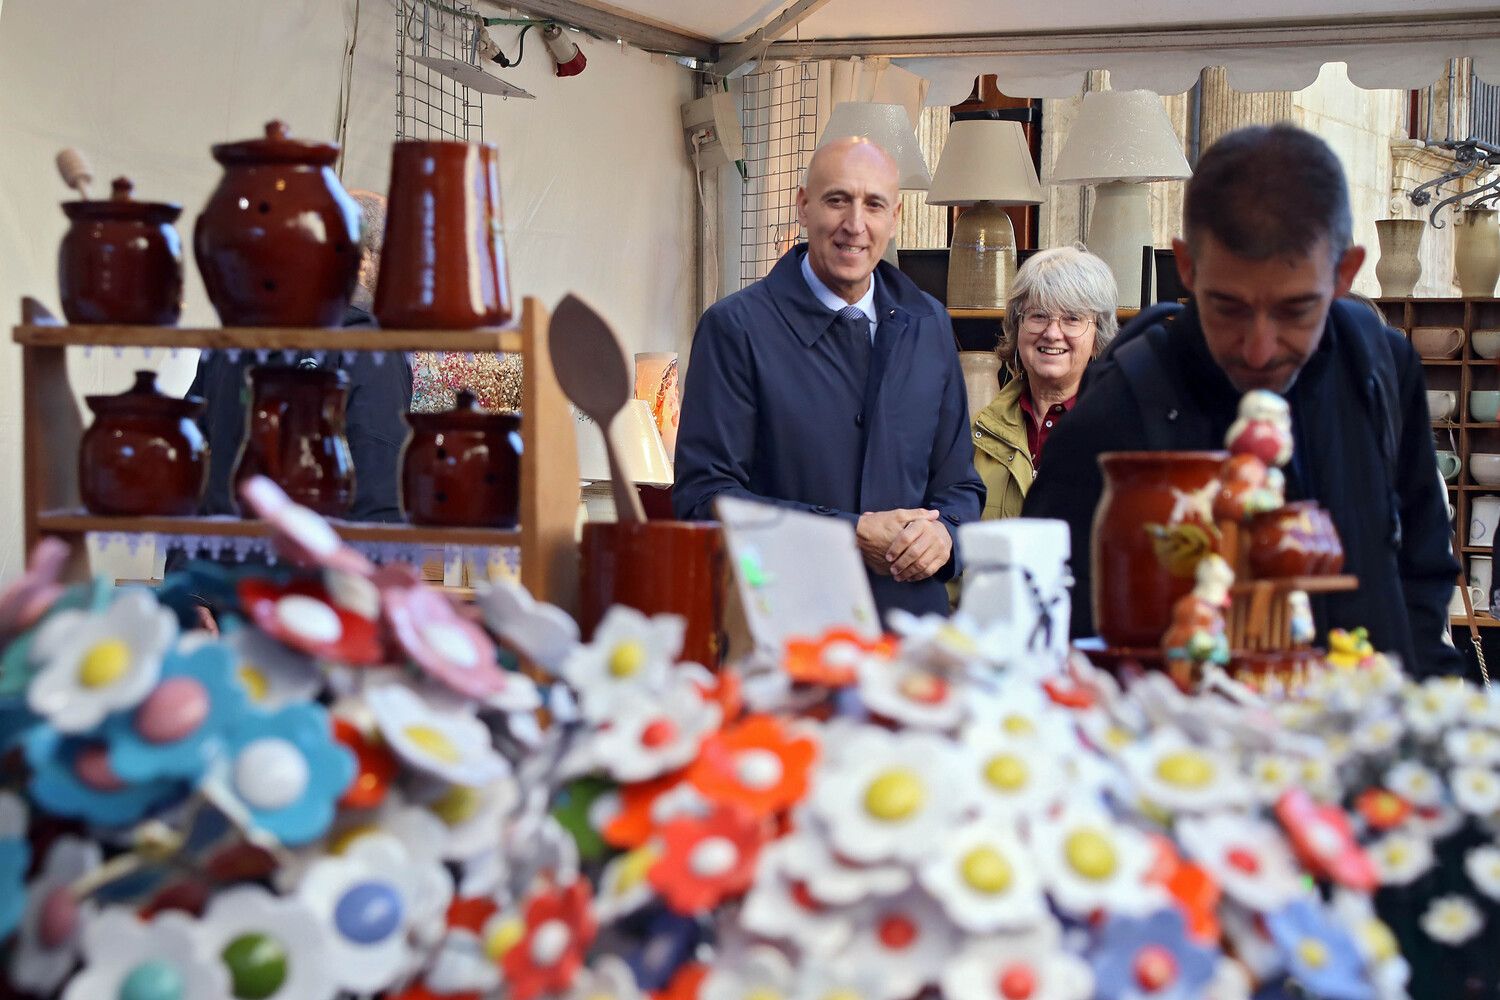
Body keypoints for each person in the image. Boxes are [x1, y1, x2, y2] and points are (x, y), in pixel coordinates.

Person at [1023, 123, 1462, 677]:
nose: (1259, 350)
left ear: (1345, 273)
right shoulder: (1124, 403)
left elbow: (1422, 565)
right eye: (1227, 307)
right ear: (1186, 267)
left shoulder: (1380, 367)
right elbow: (1052, 608)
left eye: (1295, 310)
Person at [673, 136, 984, 619]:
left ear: (895, 217)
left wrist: (944, 533)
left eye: (874, 205)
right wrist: (849, 533)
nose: (855, 225)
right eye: (838, 200)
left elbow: (961, 487)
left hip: (911, 638)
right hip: (786, 630)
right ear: (803, 206)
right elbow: (704, 498)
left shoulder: (930, 325)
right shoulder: (737, 329)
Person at [187, 189, 411, 522]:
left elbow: (188, 462)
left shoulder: (231, 342)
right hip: (303, 568)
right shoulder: (371, 351)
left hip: (213, 559)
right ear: (363, 258)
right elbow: (379, 499)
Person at [972, 246, 1118, 520]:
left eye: (1072, 318)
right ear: (1018, 327)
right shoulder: (976, 434)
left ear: (1098, 335)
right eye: (1038, 315)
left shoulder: (1121, 436)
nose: (1052, 333)